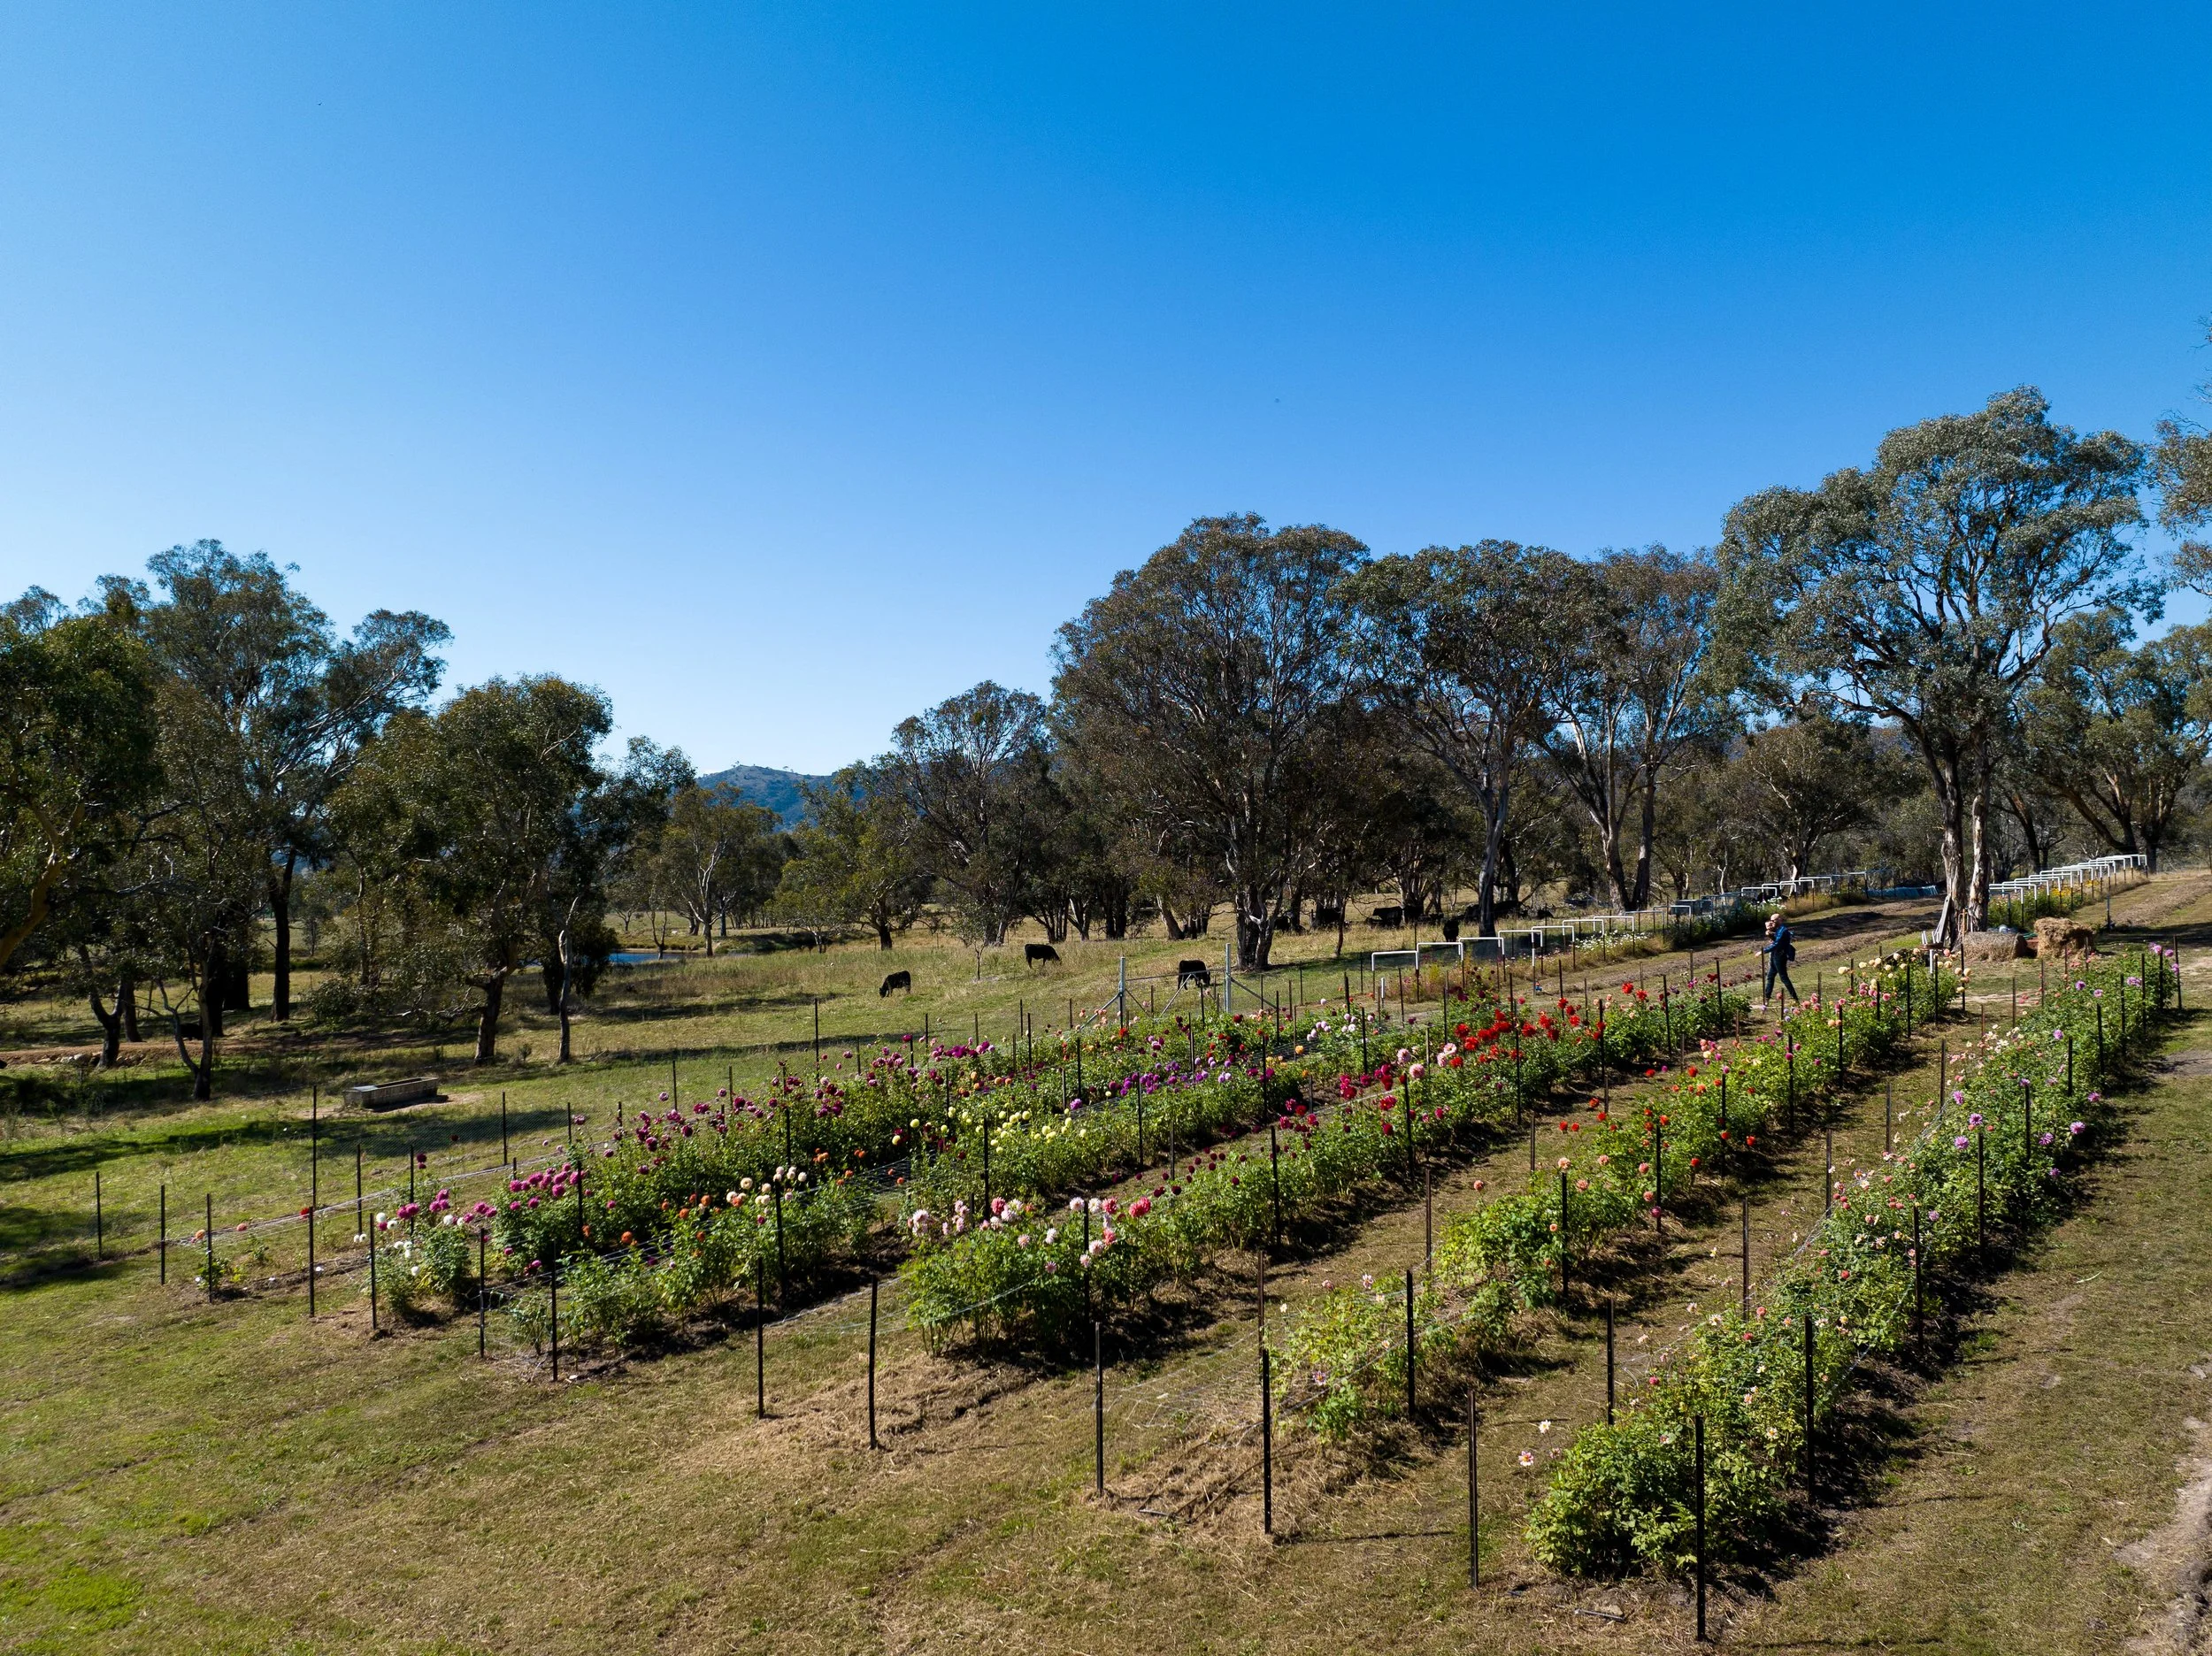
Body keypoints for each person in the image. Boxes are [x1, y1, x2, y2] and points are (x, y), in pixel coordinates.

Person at [1757, 914, 1799, 1007]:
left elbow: (1777, 944)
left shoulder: (1783, 931)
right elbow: (1775, 939)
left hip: (1780, 956)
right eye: (1771, 921)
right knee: (1770, 977)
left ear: (1779, 920)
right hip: (1775, 955)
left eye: (1773, 921)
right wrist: (1769, 933)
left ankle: (1795, 999)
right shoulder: (1779, 930)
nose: (1772, 923)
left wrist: (1763, 951)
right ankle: (1767, 998)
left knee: (1784, 978)